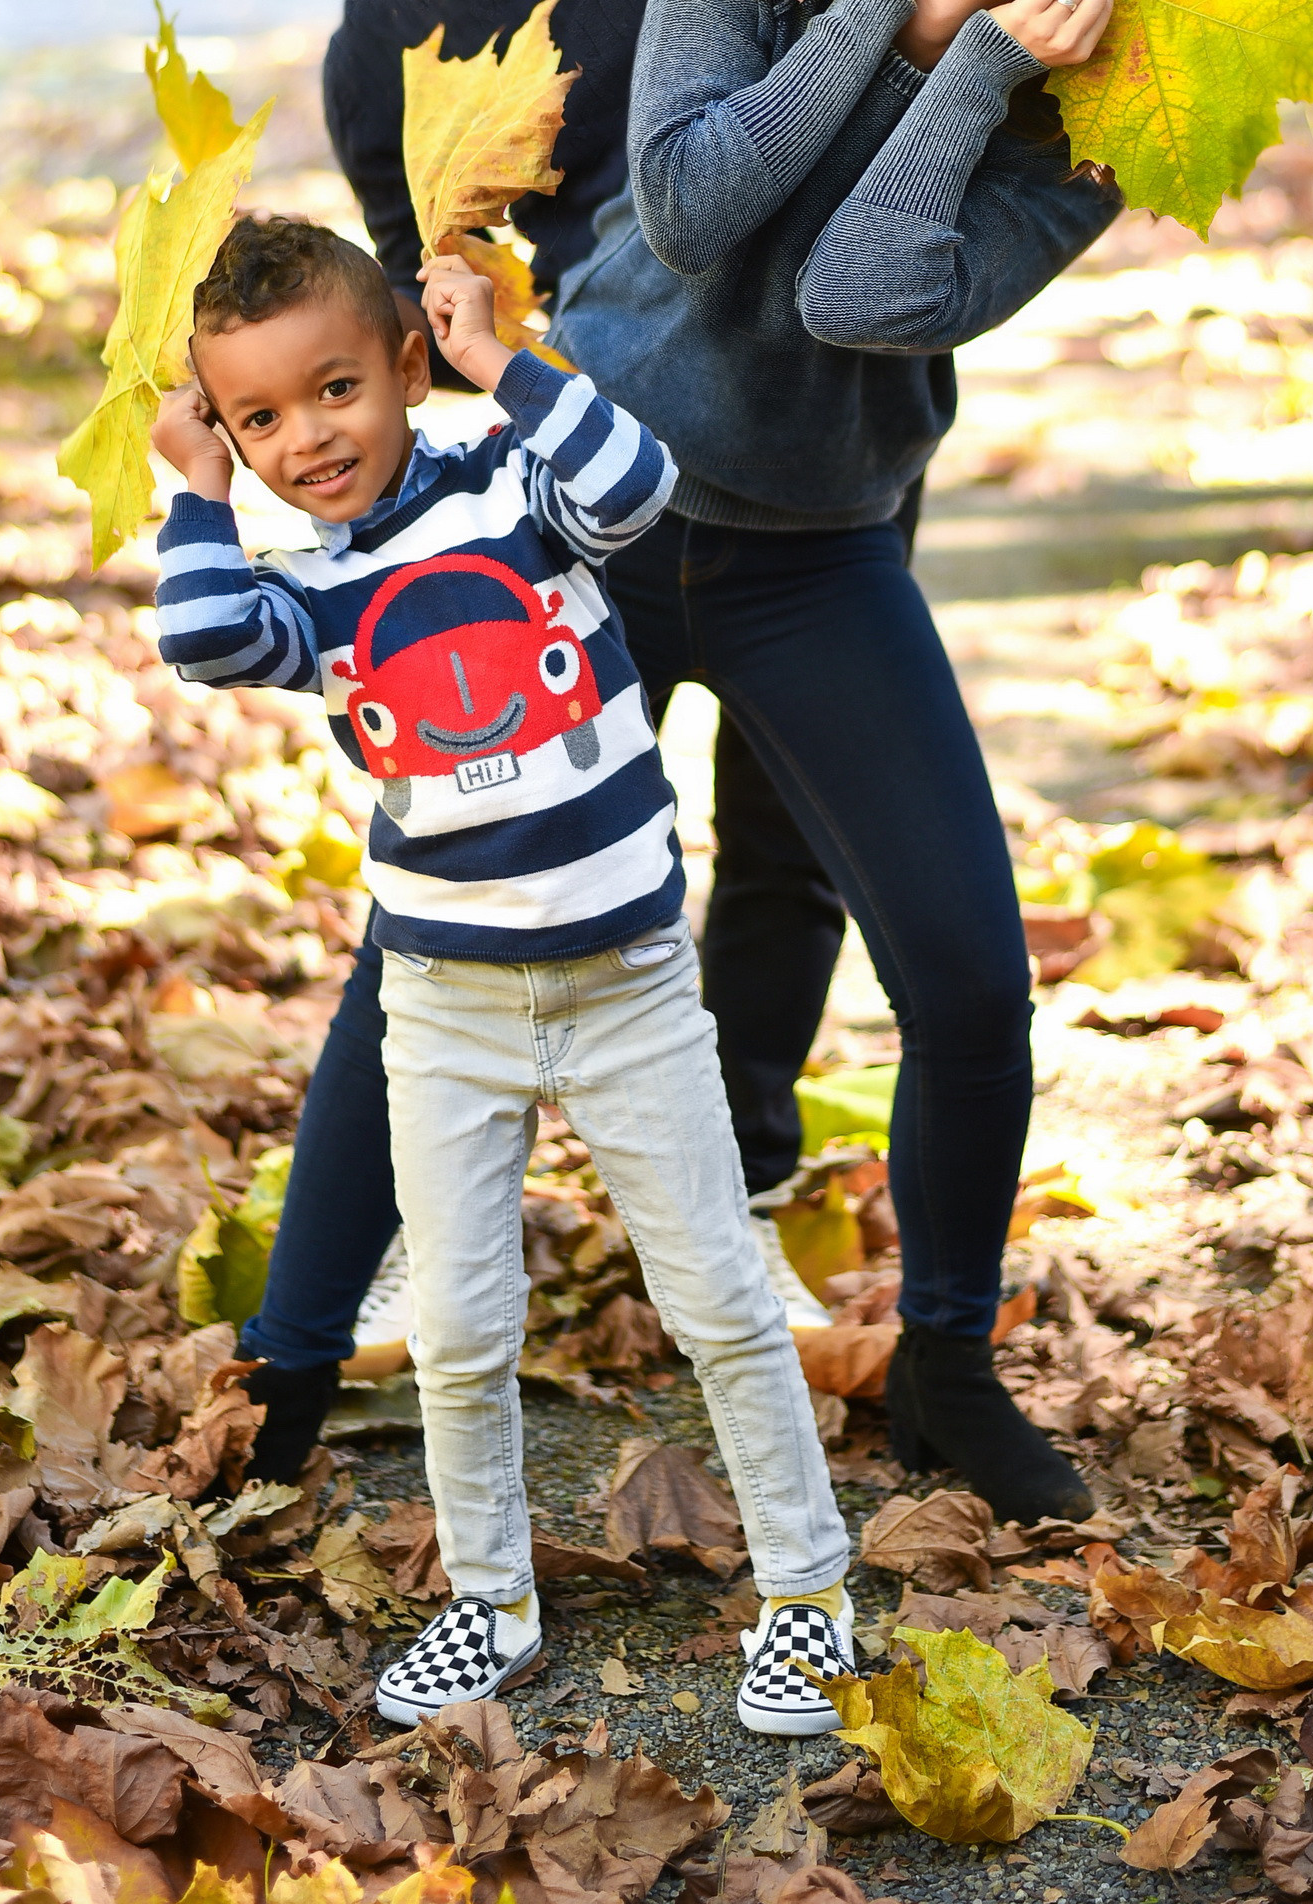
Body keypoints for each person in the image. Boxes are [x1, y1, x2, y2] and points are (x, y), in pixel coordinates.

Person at [236, 0, 851, 1460]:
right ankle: (350, 1282)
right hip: (567, 506)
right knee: (476, 856)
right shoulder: (375, 57)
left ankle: (728, 1185)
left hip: (789, 427)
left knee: (790, 841)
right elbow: (424, 318)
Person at [547, 0, 1166, 1522]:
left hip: (820, 546)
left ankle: (949, 1374)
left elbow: (856, 292)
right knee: (466, 919)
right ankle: (314, 1327)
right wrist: (868, 18)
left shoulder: (1098, 113)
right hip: (589, 504)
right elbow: (688, 209)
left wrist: (962, 68)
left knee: (969, 975)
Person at [148, 215, 854, 1733]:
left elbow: (640, 484)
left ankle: (806, 1593)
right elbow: (202, 640)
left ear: (404, 360)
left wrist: (502, 362)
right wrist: (196, 490)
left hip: (626, 988)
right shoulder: (306, 586)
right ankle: (491, 1599)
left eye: (334, 389)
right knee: (465, 1329)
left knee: (721, 1300)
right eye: (258, 416)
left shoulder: (512, 490)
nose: (305, 438)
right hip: (446, 1007)